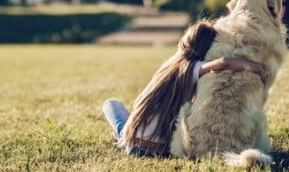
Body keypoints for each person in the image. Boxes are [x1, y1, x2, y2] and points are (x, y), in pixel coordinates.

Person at [102, 20, 265, 157]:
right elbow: (224, 62)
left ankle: (121, 136)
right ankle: (123, 135)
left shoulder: (170, 66)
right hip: (162, 149)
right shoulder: (194, 68)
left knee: (111, 104)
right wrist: (257, 67)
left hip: (134, 144)